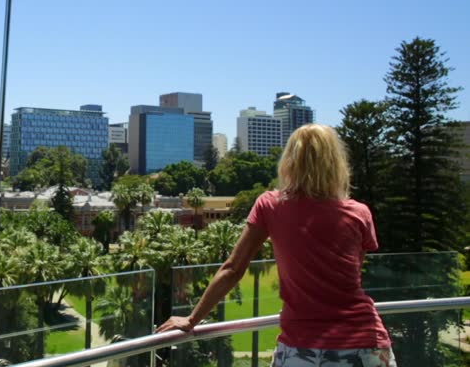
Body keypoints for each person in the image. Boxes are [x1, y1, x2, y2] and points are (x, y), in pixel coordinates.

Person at [156, 124, 396, 366]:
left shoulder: (270, 205)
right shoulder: (359, 213)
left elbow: (233, 269)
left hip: (303, 347)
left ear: (290, 161)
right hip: (368, 344)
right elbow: (352, 274)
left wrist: (192, 319)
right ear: (336, 163)